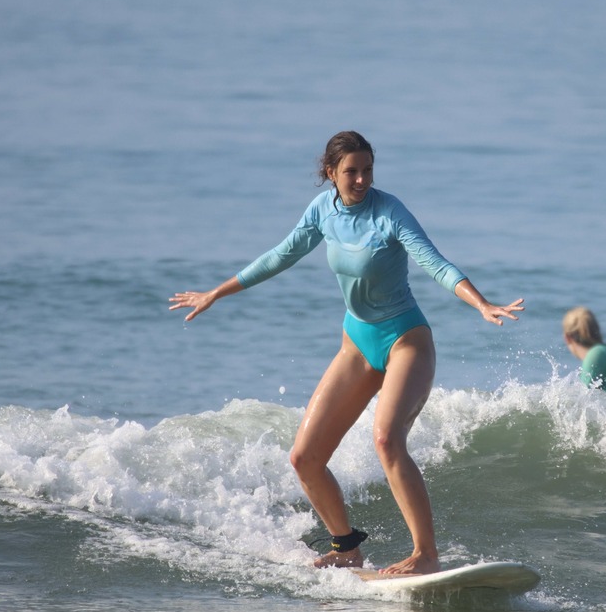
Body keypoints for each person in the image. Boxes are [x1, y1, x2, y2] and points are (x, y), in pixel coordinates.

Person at [169, 131, 524, 576]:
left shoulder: (390, 211)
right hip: (356, 341)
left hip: (404, 340)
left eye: (367, 170)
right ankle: (346, 546)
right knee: (305, 458)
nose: (360, 180)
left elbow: (434, 262)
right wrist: (216, 293)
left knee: (386, 438)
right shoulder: (322, 211)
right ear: (330, 173)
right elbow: (281, 255)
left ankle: (425, 554)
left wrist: (482, 303)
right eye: (351, 171)